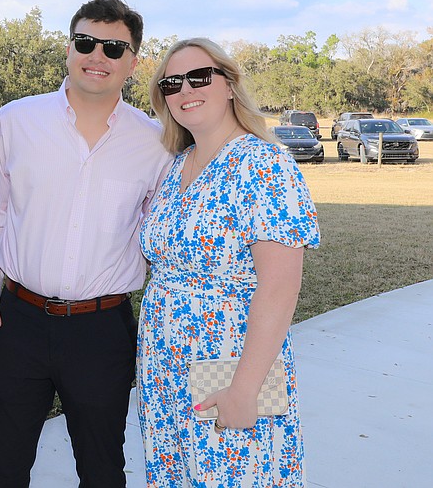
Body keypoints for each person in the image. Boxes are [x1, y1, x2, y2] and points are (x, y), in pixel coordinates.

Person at [0, 0, 173, 488]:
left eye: (113, 47)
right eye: (86, 42)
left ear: (132, 61)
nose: (97, 56)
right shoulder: (16, 120)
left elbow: (158, 233)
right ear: (68, 49)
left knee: (102, 469)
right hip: (16, 320)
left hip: (101, 329)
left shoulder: (154, 144)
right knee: (1, 466)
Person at [137, 38, 320, 487]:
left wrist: (244, 390)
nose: (185, 90)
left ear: (230, 85)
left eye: (199, 77)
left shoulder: (264, 163)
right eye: (172, 83)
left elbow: (279, 287)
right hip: (165, 370)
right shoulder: (178, 164)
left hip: (229, 367)